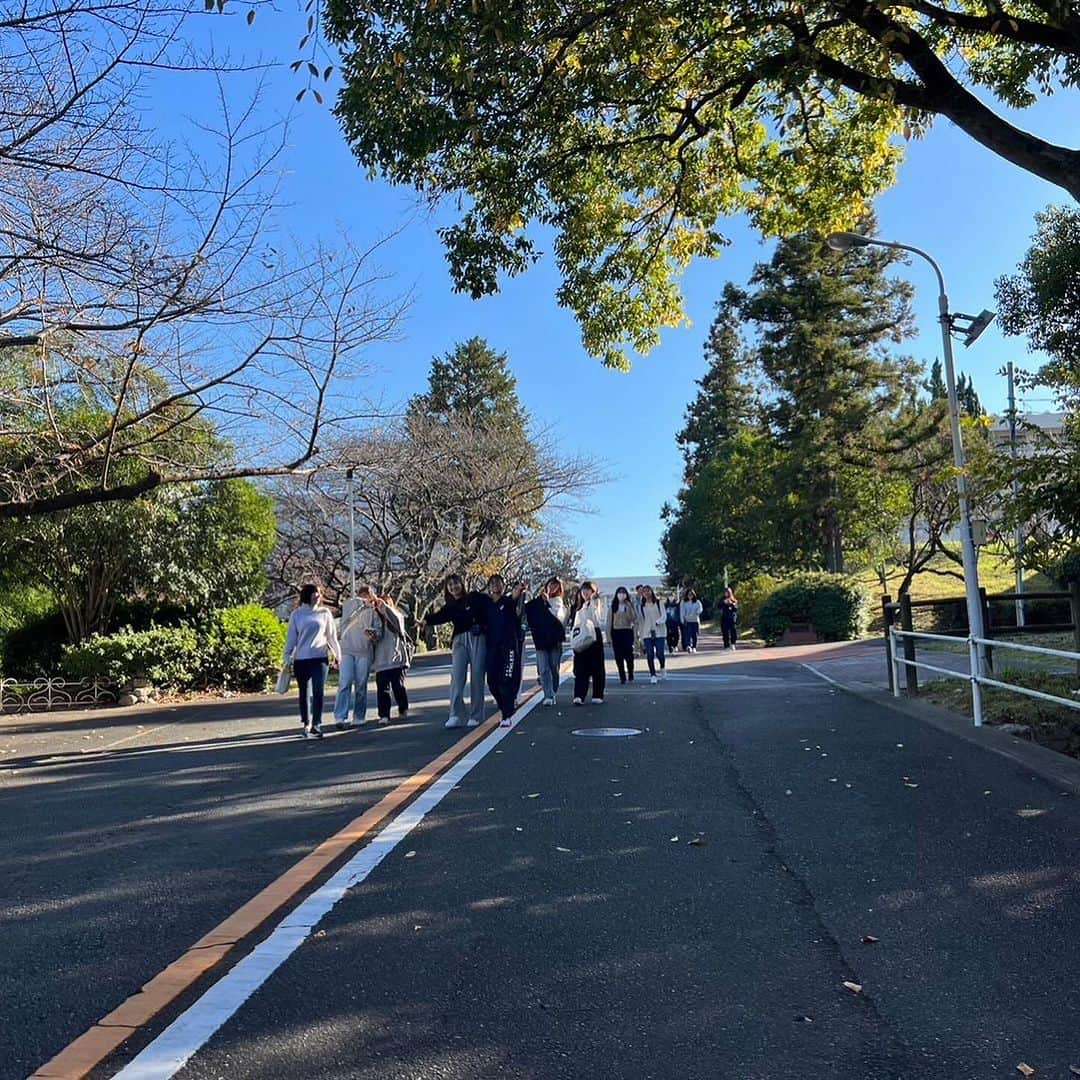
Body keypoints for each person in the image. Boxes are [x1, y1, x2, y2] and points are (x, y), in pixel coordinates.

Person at [425, 574, 488, 729]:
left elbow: (490, 608)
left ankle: (476, 715)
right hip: (459, 640)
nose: (454, 587)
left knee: (477, 675)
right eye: (450, 585)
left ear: (462, 583)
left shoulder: (474, 597)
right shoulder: (450, 605)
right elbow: (438, 617)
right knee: (457, 676)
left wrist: (482, 626)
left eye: (456, 583)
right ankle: (455, 715)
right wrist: (425, 621)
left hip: (477, 638)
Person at [283, 583, 341, 739]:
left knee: (318, 691)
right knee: (304, 693)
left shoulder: (325, 613)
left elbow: (331, 636)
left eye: (320, 593)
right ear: (307, 595)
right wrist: (287, 655)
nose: (318, 596)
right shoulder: (297, 615)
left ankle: (316, 725)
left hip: (320, 658)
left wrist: (337, 654)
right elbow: (291, 638)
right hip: (301, 659)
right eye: (315, 593)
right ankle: (306, 723)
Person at [333, 586, 381, 730]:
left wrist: (374, 634)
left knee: (361, 684)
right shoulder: (350, 605)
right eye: (363, 595)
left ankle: (359, 716)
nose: (365, 597)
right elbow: (351, 606)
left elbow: (379, 631)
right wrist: (362, 604)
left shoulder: (374, 612)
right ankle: (340, 716)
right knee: (345, 682)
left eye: (368, 595)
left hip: (364, 651)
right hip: (346, 649)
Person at [482, 574, 527, 725]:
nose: (495, 585)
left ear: (503, 585)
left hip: (509, 646)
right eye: (492, 582)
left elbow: (515, 598)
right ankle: (505, 707)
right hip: (492, 647)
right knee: (492, 681)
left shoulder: (508, 602)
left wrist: (519, 590)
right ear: (489, 586)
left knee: (507, 679)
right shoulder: (486, 604)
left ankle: (506, 715)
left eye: (498, 582)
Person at [371, 588, 412, 724]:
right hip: (381, 660)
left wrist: (386, 608)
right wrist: (372, 635)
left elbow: (397, 622)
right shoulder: (375, 619)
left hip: (397, 658)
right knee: (382, 689)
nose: (380, 607)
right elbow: (375, 636)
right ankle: (384, 715)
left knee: (398, 686)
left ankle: (403, 708)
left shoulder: (397, 617)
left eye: (384, 604)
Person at [525, 577, 566, 706]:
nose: (553, 588)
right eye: (551, 585)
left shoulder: (559, 603)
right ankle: (548, 694)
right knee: (543, 669)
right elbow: (528, 611)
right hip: (541, 641)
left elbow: (559, 618)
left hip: (554, 641)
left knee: (554, 668)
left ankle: (553, 690)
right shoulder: (538, 602)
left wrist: (547, 603)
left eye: (556, 586)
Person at [570, 580, 606, 705]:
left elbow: (597, 618)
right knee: (580, 667)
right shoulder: (577, 606)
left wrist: (593, 601)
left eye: (588, 590)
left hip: (593, 634)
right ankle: (579, 695)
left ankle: (597, 694)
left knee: (597, 666)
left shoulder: (596, 603)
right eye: (583, 590)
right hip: (581, 635)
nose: (585, 592)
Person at [637, 585, 668, 683]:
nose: (646, 593)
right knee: (649, 654)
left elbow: (664, 616)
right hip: (647, 633)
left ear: (651, 591)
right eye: (644, 592)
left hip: (659, 632)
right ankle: (653, 674)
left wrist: (658, 622)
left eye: (648, 591)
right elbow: (641, 621)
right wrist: (641, 635)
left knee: (660, 653)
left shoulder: (659, 603)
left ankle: (662, 668)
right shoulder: (641, 606)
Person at [607, 586, 637, 684]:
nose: (621, 594)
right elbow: (609, 622)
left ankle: (631, 674)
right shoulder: (613, 606)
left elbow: (633, 618)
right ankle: (622, 676)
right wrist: (608, 637)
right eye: (619, 592)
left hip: (627, 631)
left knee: (629, 655)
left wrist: (628, 606)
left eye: (623, 593)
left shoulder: (629, 605)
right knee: (618, 656)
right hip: (616, 632)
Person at [680, 588, 703, 653]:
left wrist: (697, 612)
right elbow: (682, 611)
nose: (690, 596)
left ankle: (694, 647)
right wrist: (682, 620)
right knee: (688, 634)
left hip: (695, 620)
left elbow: (700, 609)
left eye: (691, 594)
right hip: (687, 620)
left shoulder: (697, 602)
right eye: (689, 594)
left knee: (694, 634)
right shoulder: (683, 602)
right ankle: (688, 646)